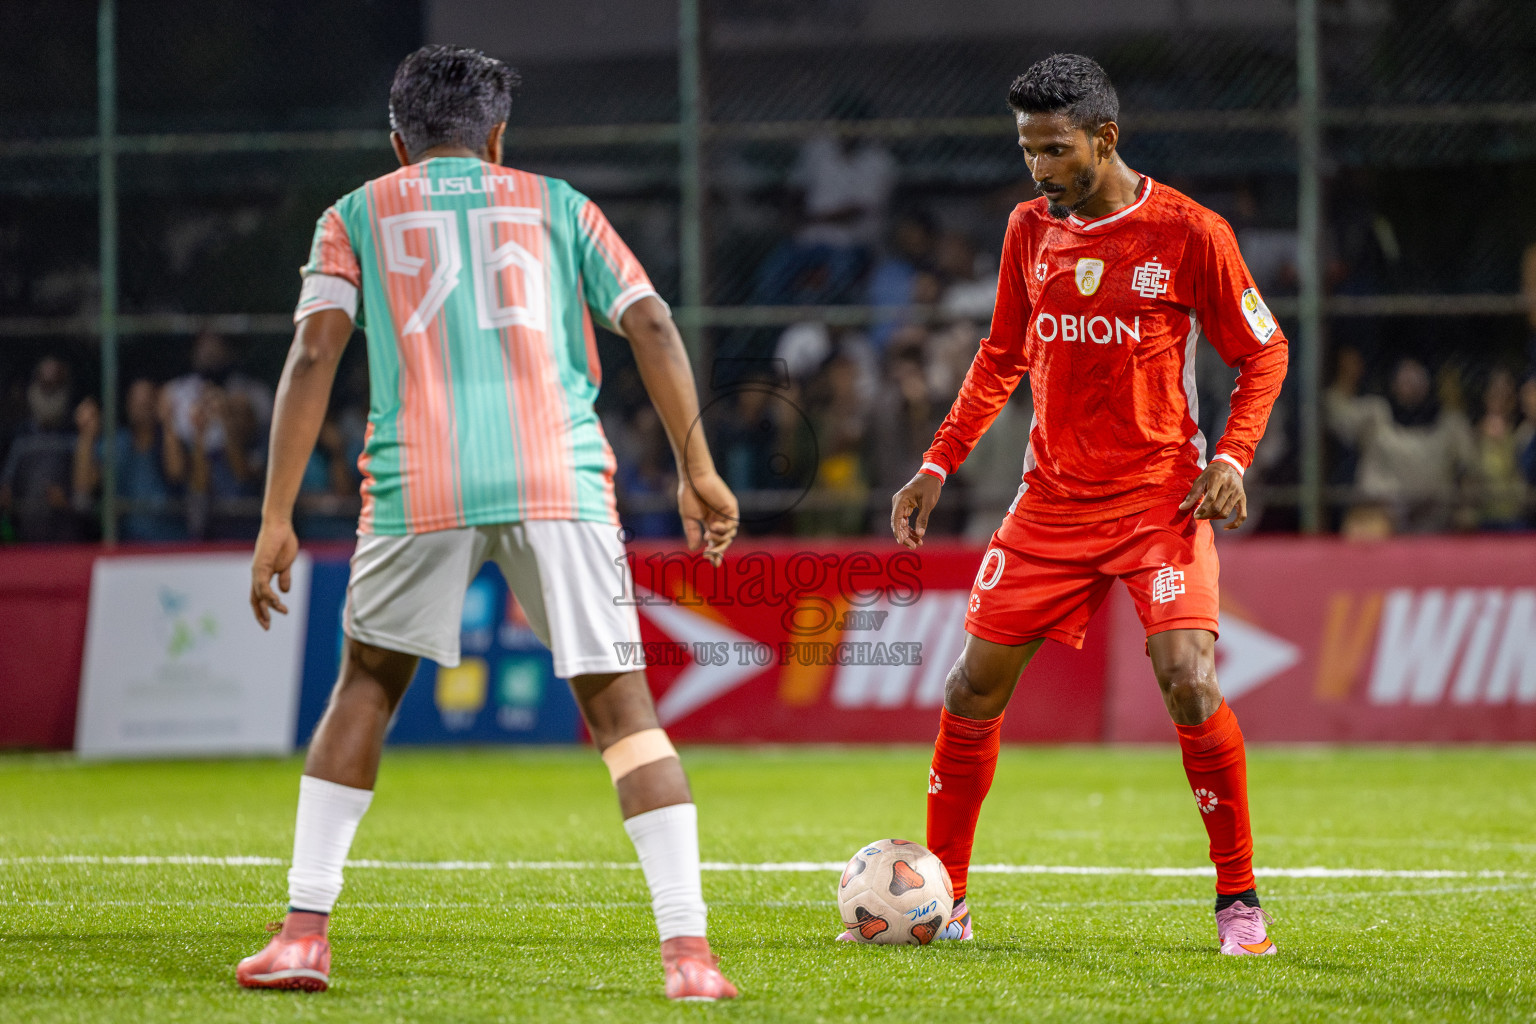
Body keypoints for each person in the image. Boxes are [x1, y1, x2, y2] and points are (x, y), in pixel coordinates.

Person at [238, 45, 740, 1001]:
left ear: (398, 143)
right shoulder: (561, 206)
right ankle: (690, 957)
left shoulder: (355, 213)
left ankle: (304, 935)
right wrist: (698, 467)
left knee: (366, 690)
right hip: (560, 475)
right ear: (499, 137)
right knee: (623, 712)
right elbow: (653, 326)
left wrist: (276, 515)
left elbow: (312, 356)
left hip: (419, 479)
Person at [879, 55, 1288, 956]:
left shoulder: (1190, 232)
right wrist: (937, 464)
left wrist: (1232, 456)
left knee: (1189, 680)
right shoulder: (1029, 229)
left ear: (1105, 138)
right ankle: (948, 903)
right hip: (1051, 504)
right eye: (1027, 149)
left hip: (1158, 502)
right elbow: (1000, 357)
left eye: (1055, 150)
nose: (1038, 169)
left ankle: (1239, 903)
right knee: (970, 687)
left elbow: (1264, 352)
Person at [71, 379, 189, 542]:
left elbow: (176, 473)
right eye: (137, 402)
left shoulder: (169, 440)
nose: (142, 407)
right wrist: (86, 435)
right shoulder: (117, 444)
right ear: (127, 405)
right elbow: (84, 488)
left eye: (147, 402)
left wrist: (168, 421)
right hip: (128, 546)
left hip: (171, 542)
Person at [0, 355, 85, 543]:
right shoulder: (20, 437)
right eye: (45, 386)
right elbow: (6, 486)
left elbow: (89, 500)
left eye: (55, 386)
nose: (49, 393)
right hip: (25, 545)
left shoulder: (75, 436)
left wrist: (67, 501)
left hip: (67, 544)